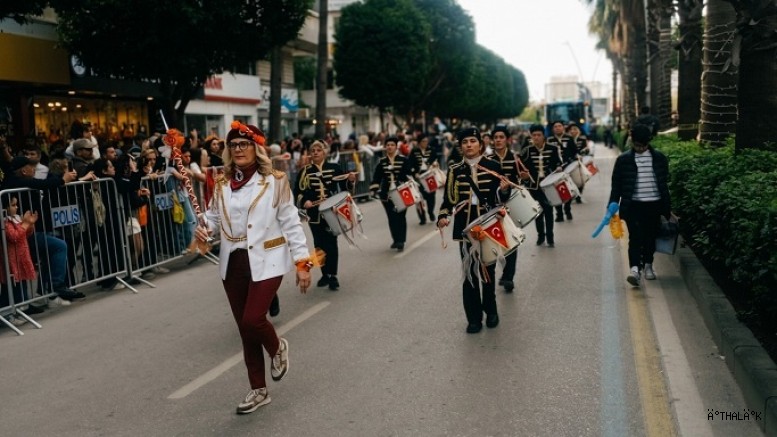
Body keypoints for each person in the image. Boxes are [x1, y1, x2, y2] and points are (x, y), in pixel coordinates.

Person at [195, 121, 311, 414]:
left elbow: (291, 223)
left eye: (243, 144)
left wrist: (303, 264)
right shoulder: (222, 183)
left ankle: (277, 347)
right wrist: (203, 228)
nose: (238, 149)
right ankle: (258, 390)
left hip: (268, 260)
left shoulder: (276, 180)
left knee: (252, 320)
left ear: (256, 148)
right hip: (232, 262)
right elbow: (213, 218)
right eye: (233, 145)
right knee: (245, 331)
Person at [437, 127, 511, 334]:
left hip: (488, 227)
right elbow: (449, 200)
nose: (468, 145)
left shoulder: (493, 165)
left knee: (487, 271)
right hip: (465, 229)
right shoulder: (454, 170)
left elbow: (500, 198)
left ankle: (491, 310)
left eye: (472, 141)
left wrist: (505, 190)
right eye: (464, 142)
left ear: (480, 144)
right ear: (460, 146)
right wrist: (443, 216)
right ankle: (473, 319)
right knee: (469, 272)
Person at [609, 124, 671, 286]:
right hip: (633, 206)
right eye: (637, 145)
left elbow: (664, 184)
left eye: (643, 145)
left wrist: (666, 208)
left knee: (650, 237)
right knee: (635, 237)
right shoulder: (623, 160)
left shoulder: (659, 158)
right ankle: (635, 270)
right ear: (632, 142)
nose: (640, 148)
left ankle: (649, 265)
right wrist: (613, 204)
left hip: (654, 204)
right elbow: (616, 185)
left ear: (648, 142)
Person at [295, 140, 355, 290]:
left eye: (318, 150)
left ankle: (333, 275)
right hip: (314, 214)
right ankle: (325, 274)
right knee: (318, 245)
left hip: (332, 212)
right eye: (313, 150)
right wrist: (305, 201)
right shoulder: (305, 171)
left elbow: (344, 189)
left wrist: (351, 181)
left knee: (331, 244)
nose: (315, 152)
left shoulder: (334, 168)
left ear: (324, 153)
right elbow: (297, 191)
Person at [486, 125, 522, 293]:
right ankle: (499, 273)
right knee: (496, 241)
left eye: (501, 137)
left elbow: (523, 181)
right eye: (496, 137)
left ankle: (508, 277)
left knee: (512, 242)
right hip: (492, 206)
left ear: (507, 139)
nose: (498, 140)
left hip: (511, 206)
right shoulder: (486, 161)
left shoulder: (515, 159)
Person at [521, 124, 563, 247]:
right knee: (538, 212)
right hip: (533, 186)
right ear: (531, 136)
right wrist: (524, 175)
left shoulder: (553, 148)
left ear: (543, 135)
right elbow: (520, 167)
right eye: (534, 135)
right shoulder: (527, 150)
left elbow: (558, 163)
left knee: (549, 211)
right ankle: (540, 236)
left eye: (539, 135)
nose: (536, 137)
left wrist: (559, 167)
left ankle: (550, 236)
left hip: (548, 185)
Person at [369, 136, 412, 251]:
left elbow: (408, 174)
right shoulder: (382, 162)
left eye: (392, 145)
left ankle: (401, 241)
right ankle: (395, 239)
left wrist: (404, 180)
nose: (390, 147)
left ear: (396, 146)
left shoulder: (404, 160)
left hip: (402, 192)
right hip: (386, 193)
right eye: (388, 145)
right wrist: (374, 188)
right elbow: (377, 177)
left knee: (400, 217)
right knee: (391, 217)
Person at [545, 121, 577, 222]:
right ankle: (559, 213)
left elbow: (574, 152)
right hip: (554, 170)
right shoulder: (549, 140)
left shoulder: (569, 138)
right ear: (553, 129)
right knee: (555, 192)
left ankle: (567, 209)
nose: (558, 128)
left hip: (567, 168)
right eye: (555, 126)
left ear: (563, 127)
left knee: (568, 190)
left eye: (559, 126)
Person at [407, 134, 439, 225]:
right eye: (423, 141)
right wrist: (414, 173)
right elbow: (410, 164)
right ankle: (422, 217)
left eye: (426, 141)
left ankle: (430, 212)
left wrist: (433, 166)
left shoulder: (431, 150)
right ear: (419, 142)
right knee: (419, 198)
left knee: (431, 196)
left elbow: (435, 160)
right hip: (418, 177)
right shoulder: (414, 151)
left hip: (429, 176)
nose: (425, 143)